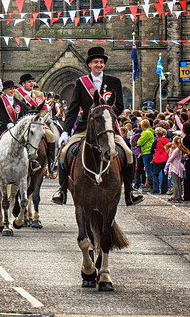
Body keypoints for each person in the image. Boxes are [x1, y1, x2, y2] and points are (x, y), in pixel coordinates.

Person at [53, 46, 143, 206]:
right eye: (96, 62)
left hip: (107, 129)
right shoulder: (81, 83)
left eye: (101, 62)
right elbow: (73, 109)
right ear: (90, 64)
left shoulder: (114, 82)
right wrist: (66, 131)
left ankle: (130, 192)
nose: (99, 65)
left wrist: (105, 113)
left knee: (128, 153)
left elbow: (120, 106)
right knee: (64, 152)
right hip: (85, 129)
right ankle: (62, 191)